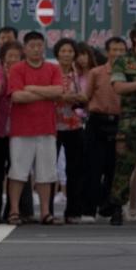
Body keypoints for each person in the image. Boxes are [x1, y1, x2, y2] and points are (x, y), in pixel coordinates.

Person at [6, 31, 63, 225]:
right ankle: (14, 210)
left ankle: (45, 212)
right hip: (22, 129)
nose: (37, 49)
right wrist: (45, 93)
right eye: (32, 45)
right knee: (18, 172)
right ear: (25, 48)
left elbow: (58, 91)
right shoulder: (17, 69)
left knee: (47, 173)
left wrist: (32, 88)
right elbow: (17, 96)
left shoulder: (52, 69)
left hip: (47, 128)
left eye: (40, 45)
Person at [110, 27, 136, 226]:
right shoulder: (124, 61)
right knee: (125, 166)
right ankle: (117, 206)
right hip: (131, 123)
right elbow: (118, 87)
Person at [85, 37, 125, 220]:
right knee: (93, 167)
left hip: (120, 123)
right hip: (97, 122)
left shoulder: (130, 74)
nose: (117, 53)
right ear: (107, 51)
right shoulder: (96, 72)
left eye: (121, 50)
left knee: (114, 168)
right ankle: (89, 209)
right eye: (114, 50)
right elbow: (86, 97)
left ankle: (110, 207)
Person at [0, 41, 24, 224]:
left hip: (19, 130)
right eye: (10, 56)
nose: (13, 59)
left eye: (17, 56)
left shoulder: (24, 73)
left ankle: (13, 210)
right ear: (3, 58)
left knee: (16, 172)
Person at [52, 37, 89, 223]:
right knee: (50, 169)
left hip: (75, 124)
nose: (67, 54)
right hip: (53, 124)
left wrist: (77, 97)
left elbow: (85, 96)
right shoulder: (51, 71)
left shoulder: (79, 74)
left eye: (70, 51)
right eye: (63, 51)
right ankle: (47, 210)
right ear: (57, 53)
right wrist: (66, 96)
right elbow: (52, 94)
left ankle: (73, 210)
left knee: (75, 169)